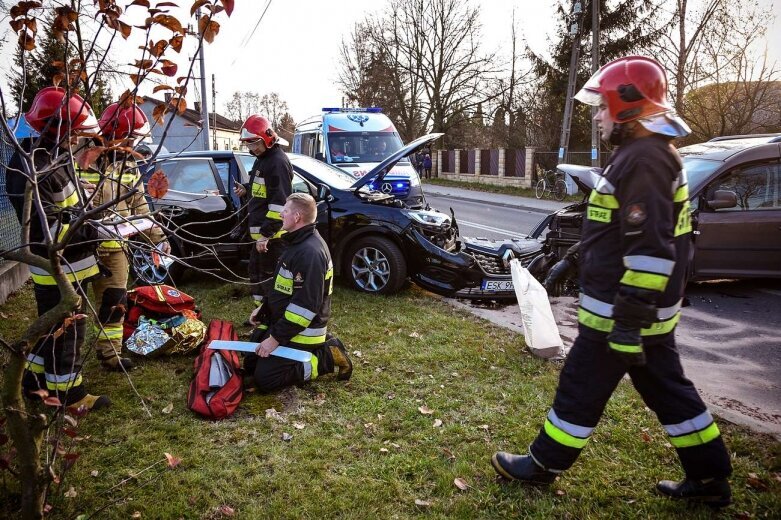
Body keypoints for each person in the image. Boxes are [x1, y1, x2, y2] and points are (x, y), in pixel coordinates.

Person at [491, 56, 733, 508]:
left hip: (622, 318)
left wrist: (626, 323)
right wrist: (583, 254)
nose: (598, 116)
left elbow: (651, 253)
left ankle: (543, 464)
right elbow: (624, 231)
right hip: (639, 316)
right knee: (669, 391)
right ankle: (709, 477)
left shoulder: (643, 159)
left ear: (626, 107)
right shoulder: (647, 154)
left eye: (602, 107)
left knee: (581, 386)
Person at [5, 86, 109, 410]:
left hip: (67, 264)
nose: (78, 139)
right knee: (69, 333)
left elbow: (64, 208)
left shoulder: (49, 159)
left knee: (51, 327)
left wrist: (84, 207)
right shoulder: (38, 168)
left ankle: (34, 383)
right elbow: (49, 230)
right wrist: (93, 230)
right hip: (59, 268)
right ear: (60, 129)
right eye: (75, 132)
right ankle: (70, 396)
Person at [77, 101, 169, 371]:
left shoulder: (128, 166)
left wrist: (159, 239)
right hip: (81, 249)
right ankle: (64, 359)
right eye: (129, 138)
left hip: (116, 248)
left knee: (115, 302)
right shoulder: (80, 159)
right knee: (74, 308)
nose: (132, 145)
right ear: (113, 133)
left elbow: (139, 206)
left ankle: (110, 354)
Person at [243, 193, 353, 391]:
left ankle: (326, 356)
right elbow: (282, 287)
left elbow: (304, 308)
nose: (280, 215)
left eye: (284, 211)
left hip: (305, 331)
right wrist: (264, 310)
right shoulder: (297, 243)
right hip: (285, 323)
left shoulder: (309, 253)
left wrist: (275, 339)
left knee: (265, 378)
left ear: (297, 217)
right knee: (250, 363)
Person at [233, 115, 293, 321]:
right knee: (257, 276)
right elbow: (263, 191)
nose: (251, 148)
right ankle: (262, 316)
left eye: (254, 143)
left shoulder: (276, 162)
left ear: (267, 138)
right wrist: (246, 189)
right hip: (261, 238)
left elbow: (279, 203)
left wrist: (266, 235)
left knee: (270, 279)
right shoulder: (264, 160)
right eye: (248, 144)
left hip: (272, 240)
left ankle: (274, 319)